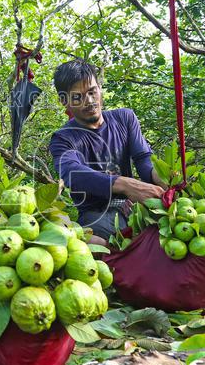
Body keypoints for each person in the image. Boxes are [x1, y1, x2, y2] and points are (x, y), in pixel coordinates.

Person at [48, 59, 164, 239]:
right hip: (96, 215)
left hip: (133, 205)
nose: (90, 101)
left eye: (92, 92)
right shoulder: (63, 138)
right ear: (64, 101)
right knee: (102, 245)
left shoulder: (124, 118)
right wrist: (125, 185)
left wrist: (163, 178)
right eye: (78, 96)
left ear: (99, 88)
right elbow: (73, 173)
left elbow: (143, 159)